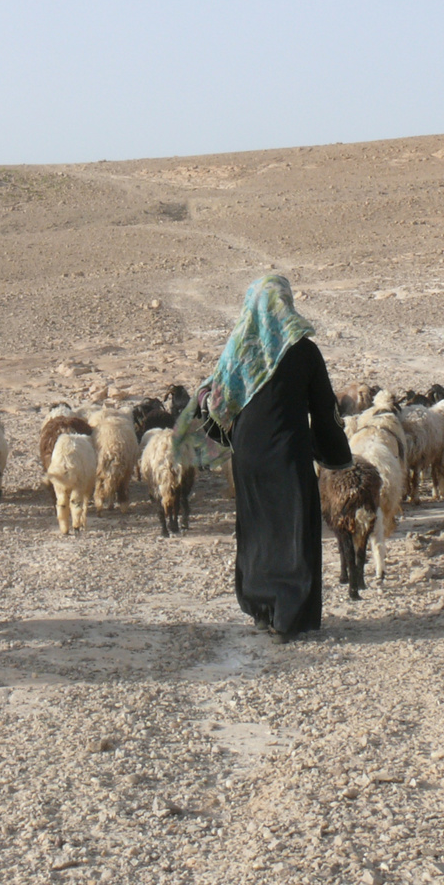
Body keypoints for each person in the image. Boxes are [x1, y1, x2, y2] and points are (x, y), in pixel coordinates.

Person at [181, 275, 351, 643]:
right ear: (285, 303)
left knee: (257, 528)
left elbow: (213, 398)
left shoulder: (240, 350)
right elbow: (324, 408)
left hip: (248, 457)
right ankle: (289, 617)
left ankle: (261, 610)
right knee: (292, 529)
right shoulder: (303, 350)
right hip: (287, 454)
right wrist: (334, 454)